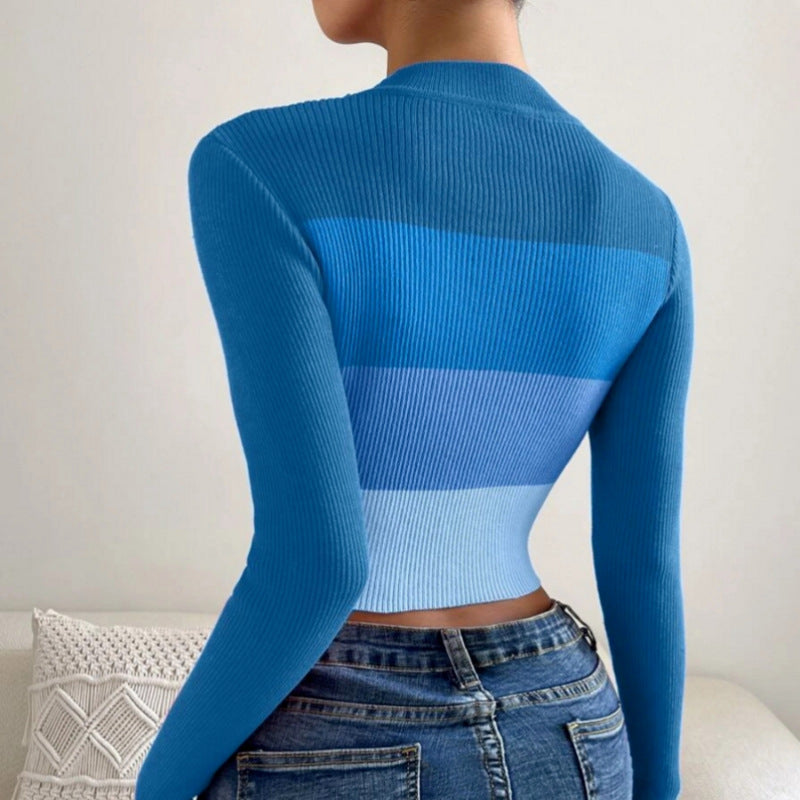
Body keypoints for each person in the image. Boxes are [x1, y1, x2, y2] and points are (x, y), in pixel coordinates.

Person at [134, 1, 694, 798]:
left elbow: (317, 567)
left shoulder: (258, 164)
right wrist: (659, 786)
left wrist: (156, 788)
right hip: (569, 722)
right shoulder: (649, 222)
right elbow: (642, 568)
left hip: (344, 732)